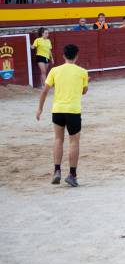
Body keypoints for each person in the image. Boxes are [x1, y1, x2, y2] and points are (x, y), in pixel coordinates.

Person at [36, 44, 88, 187]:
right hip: (73, 111)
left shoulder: (55, 70)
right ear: (76, 56)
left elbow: (45, 91)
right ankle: (72, 175)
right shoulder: (82, 72)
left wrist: (39, 109)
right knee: (74, 141)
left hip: (58, 110)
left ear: (64, 55)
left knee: (58, 139)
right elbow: (84, 91)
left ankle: (57, 171)